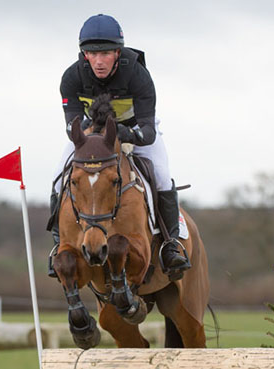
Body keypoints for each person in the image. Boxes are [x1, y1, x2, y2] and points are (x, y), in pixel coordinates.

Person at [49, 14, 189, 280]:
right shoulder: (71, 77)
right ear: (84, 55)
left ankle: (171, 244)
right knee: (58, 179)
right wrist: (93, 136)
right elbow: (71, 127)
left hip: (136, 131)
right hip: (92, 134)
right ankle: (59, 243)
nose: (99, 61)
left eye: (105, 54)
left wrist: (124, 134)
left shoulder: (138, 75)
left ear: (117, 52)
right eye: (92, 53)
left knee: (159, 174)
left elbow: (147, 131)